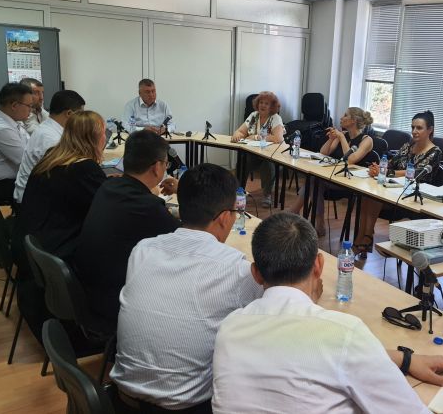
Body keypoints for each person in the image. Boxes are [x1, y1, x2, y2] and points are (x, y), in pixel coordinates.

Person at [212, 212, 443, 414]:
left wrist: (404, 359)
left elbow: (302, 347)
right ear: (319, 265)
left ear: (256, 273)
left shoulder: (230, 327)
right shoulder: (343, 333)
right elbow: (330, 346)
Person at [110, 164, 262, 413]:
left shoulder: (143, 250)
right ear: (225, 217)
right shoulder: (234, 269)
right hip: (185, 407)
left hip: (122, 399)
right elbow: (278, 307)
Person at [74, 130, 181, 325]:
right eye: (166, 164)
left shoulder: (108, 186)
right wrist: (182, 192)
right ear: (157, 167)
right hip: (113, 305)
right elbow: (186, 237)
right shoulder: (147, 206)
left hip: (86, 289)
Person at [18, 111, 107, 260]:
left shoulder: (52, 156)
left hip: (31, 245)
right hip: (55, 252)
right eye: (104, 132)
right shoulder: (84, 168)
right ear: (94, 137)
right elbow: (108, 206)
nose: (105, 137)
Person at [353, 110, 442, 257]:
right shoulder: (408, 146)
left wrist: (387, 172)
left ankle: (366, 237)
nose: (414, 131)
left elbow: (416, 173)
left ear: (430, 130)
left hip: (412, 197)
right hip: (393, 189)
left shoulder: (434, 152)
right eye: (413, 127)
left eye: (419, 128)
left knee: (375, 196)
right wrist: (378, 168)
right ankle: (363, 236)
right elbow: (391, 163)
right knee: (367, 194)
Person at [288, 107, 374, 236]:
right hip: (334, 177)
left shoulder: (367, 140)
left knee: (314, 181)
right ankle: (317, 221)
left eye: (345, 115)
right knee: (313, 179)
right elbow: (323, 153)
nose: (341, 118)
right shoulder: (343, 135)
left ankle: (301, 214)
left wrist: (341, 137)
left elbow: (351, 159)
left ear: (354, 121)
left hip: (351, 182)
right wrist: (331, 139)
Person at [13, 90, 86, 205]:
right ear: (69, 114)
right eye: (80, 115)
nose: (82, 120)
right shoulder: (51, 139)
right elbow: (65, 176)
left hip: (35, 194)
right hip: (33, 202)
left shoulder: (49, 128)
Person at [0, 82, 32, 204]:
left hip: (9, 181)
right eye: (29, 106)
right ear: (14, 105)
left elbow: (30, 145)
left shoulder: (10, 120)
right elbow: (27, 161)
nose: (31, 110)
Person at [231, 91, 285, 207]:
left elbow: (278, 138)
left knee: (267, 163)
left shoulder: (275, 118)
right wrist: (237, 134)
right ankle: (239, 191)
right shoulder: (254, 116)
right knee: (242, 161)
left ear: (272, 107)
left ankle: (267, 194)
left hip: (273, 155)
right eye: (261, 102)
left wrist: (256, 137)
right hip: (255, 154)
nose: (263, 105)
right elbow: (241, 131)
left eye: (266, 103)